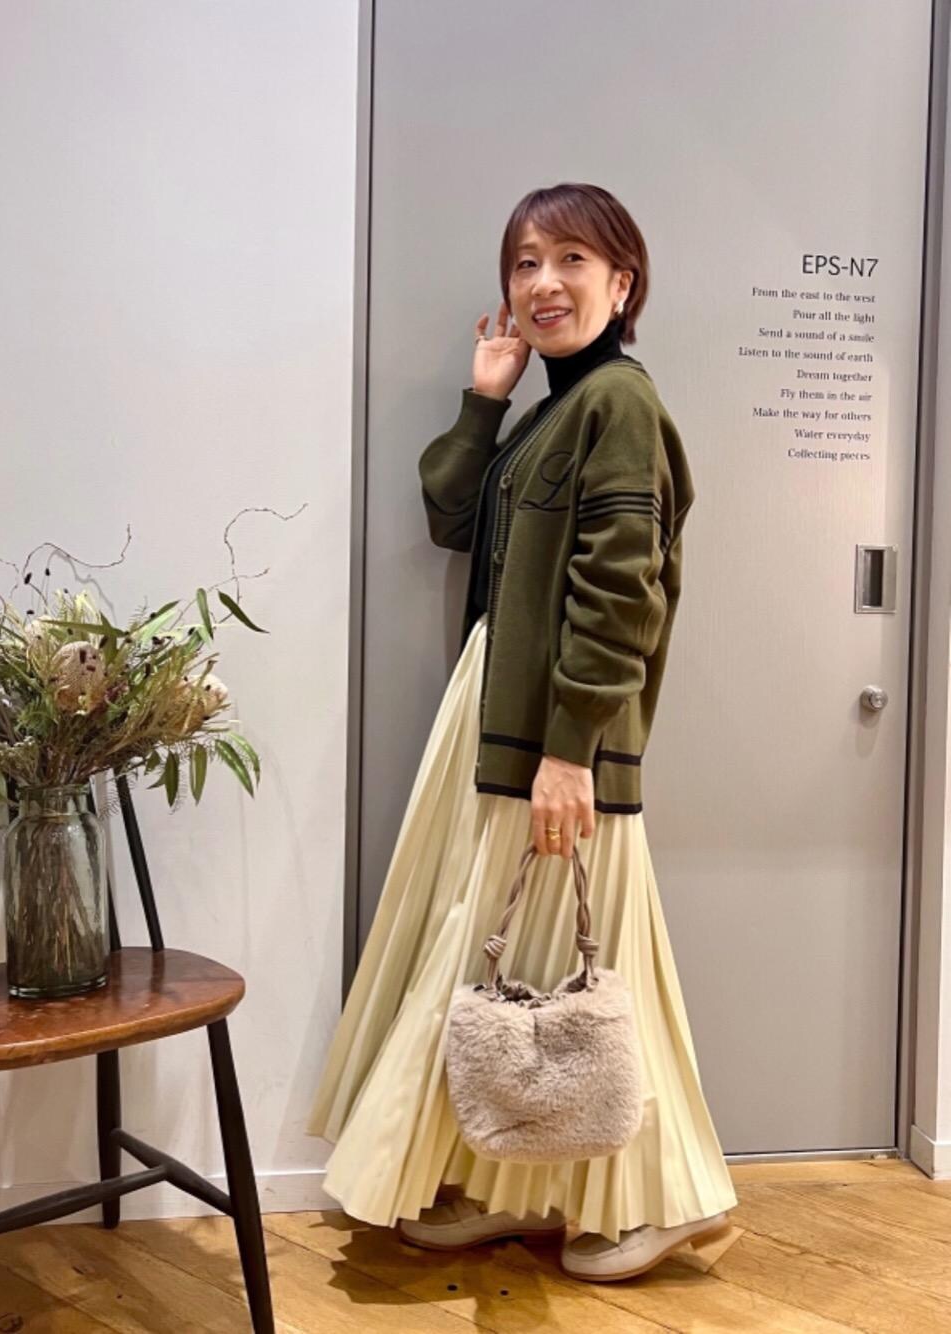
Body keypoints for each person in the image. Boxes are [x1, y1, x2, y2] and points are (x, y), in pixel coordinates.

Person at [306, 182, 737, 1283]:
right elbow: (451, 516)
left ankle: (665, 1197)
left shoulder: (619, 404)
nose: (543, 283)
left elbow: (620, 591)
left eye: (571, 261)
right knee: (525, 955)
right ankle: (515, 1185)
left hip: (552, 735)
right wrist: (484, 400)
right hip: (502, 720)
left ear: (622, 284)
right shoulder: (550, 414)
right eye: (526, 262)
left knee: (585, 960)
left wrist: (569, 749)